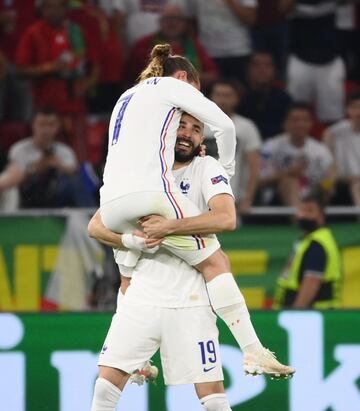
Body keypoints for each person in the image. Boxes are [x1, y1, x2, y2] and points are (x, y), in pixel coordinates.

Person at [63, 113, 267, 411]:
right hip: (141, 294)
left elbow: (226, 218)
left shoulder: (207, 168)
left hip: (190, 298)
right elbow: (96, 225)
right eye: (182, 126)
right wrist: (133, 241)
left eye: (195, 128)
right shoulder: (140, 170)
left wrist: (167, 227)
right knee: (104, 388)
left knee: (212, 400)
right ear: (165, 130)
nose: (188, 134)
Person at [100, 44, 294, 379]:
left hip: (111, 199)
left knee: (129, 274)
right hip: (147, 194)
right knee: (215, 260)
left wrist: (129, 240)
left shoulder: (128, 98)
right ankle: (252, 351)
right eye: (196, 91)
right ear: (182, 78)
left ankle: (134, 358)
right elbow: (227, 128)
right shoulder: (173, 88)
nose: (194, 100)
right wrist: (227, 170)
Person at [15, 0, 99, 158]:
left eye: (58, 6)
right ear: (42, 9)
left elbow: (95, 67)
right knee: (44, 155)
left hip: (75, 106)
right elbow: (20, 70)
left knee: (79, 155)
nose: (54, 11)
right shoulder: (33, 33)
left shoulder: (77, 32)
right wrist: (49, 68)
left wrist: (86, 84)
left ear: (65, 8)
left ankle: (80, 181)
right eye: (49, 6)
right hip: (45, 108)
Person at [0, 106, 95, 208]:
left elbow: (74, 174)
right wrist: (37, 168)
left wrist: (58, 165)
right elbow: (12, 177)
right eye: (42, 124)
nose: (46, 130)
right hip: (27, 195)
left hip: (55, 197)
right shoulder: (19, 149)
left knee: (76, 180)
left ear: (58, 126)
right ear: (33, 125)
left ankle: (89, 214)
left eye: (51, 125)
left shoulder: (64, 151)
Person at [124, 3, 218, 90]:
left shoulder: (193, 44)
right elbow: (129, 77)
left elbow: (212, 74)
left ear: (184, 23)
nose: (172, 23)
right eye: (168, 18)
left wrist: (185, 78)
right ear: (160, 22)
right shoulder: (144, 44)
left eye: (176, 18)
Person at [273, 190, 341, 309]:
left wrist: (296, 313)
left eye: (310, 210)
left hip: (313, 314)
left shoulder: (317, 244)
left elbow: (312, 282)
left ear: (321, 215)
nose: (303, 215)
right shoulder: (307, 240)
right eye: (302, 210)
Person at [259, 103, 335, 207]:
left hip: (313, 196)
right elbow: (260, 182)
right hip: (276, 199)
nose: (300, 124)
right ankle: (300, 220)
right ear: (285, 123)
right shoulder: (270, 147)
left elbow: (330, 177)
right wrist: (288, 173)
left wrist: (327, 184)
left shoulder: (321, 150)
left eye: (305, 120)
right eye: (295, 120)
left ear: (311, 124)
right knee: (290, 181)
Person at [282, 0, 345, 124]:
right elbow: (282, 7)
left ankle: (329, 142)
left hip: (330, 59)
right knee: (296, 110)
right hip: (301, 58)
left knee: (332, 115)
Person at [204, 79, 261, 215]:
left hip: (232, 199)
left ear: (237, 99)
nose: (222, 100)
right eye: (218, 95)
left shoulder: (246, 127)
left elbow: (254, 167)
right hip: (197, 196)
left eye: (228, 95)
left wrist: (248, 199)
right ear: (210, 97)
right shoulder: (198, 123)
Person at [177, 0, 257, 82]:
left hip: (238, 50)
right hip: (208, 52)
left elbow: (250, 19)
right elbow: (189, 18)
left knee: (239, 88)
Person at [239, 51, 293, 140]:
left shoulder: (284, 98)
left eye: (268, 65)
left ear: (275, 70)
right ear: (247, 69)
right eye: (256, 65)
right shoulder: (239, 96)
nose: (262, 70)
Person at [323, 90, 360, 207]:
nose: (359, 112)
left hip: (357, 183)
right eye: (355, 107)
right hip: (339, 181)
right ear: (347, 110)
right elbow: (328, 165)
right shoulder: (332, 133)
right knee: (324, 183)